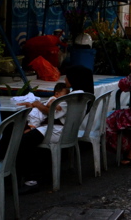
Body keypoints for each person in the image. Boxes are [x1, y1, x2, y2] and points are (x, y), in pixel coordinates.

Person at [17, 65, 94, 193]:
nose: (65, 80)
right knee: (30, 137)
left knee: (25, 140)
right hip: (68, 131)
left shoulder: (72, 96)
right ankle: (34, 174)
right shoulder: (85, 94)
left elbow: (52, 112)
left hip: (58, 130)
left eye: (67, 76)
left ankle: (30, 179)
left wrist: (37, 105)